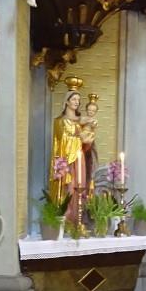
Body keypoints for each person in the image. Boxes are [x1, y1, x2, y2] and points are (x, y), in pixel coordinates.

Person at [51, 91, 86, 224]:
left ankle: (77, 219)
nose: (77, 102)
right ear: (67, 101)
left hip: (78, 158)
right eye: (74, 99)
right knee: (69, 187)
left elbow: (85, 140)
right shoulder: (60, 121)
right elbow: (61, 141)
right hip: (66, 160)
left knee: (79, 185)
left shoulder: (79, 122)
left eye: (78, 99)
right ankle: (66, 217)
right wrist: (77, 138)